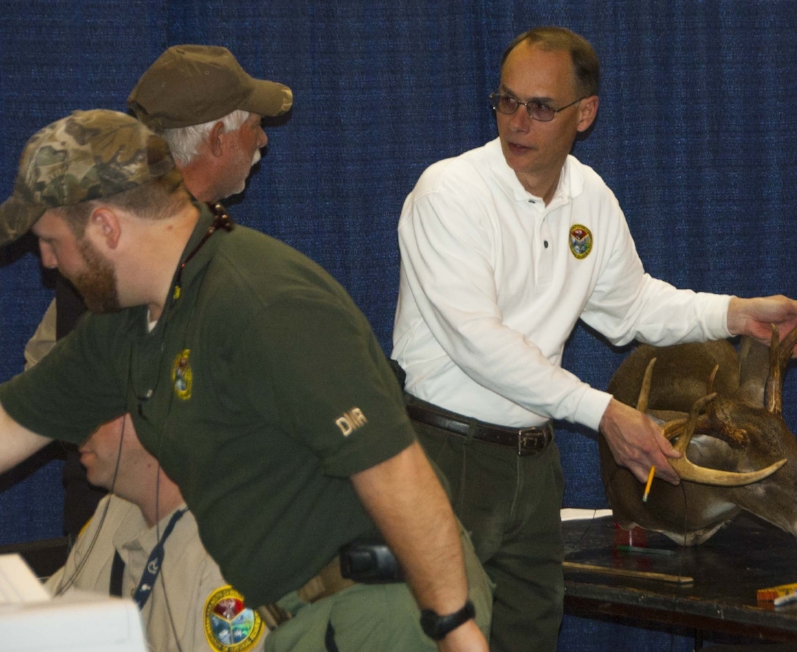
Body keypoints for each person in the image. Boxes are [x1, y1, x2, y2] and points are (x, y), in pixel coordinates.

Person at [392, 26, 797, 651]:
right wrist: (604, 412)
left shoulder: (589, 197)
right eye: (507, 101)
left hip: (533, 465)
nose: (518, 120)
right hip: (443, 455)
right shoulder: (449, 193)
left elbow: (633, 304)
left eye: (541, 107)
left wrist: (738, 315)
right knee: (431, 638)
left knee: (528, 636)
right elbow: (477, 341)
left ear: (584, 114)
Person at [0, 110, 491, 652]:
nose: (46, 261)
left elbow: (395, 471)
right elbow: (9, 426)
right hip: (296, 617)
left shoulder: (260, 301)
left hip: (390, 609)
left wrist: (454, 627)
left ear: (106, 227)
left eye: (51, 241)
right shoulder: (125, 325)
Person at [24, 44, 293, 537]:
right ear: (216, 138)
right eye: (253, 126)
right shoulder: (129, 250)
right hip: (131, 524)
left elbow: (44, 362)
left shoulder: (125, 236)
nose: (262, 143)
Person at [48, 414, 268, 652]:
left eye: (98, 405)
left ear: (152, 410)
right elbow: (40, 623)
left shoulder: (232, 553)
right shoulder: (111, 512)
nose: (75, 430)